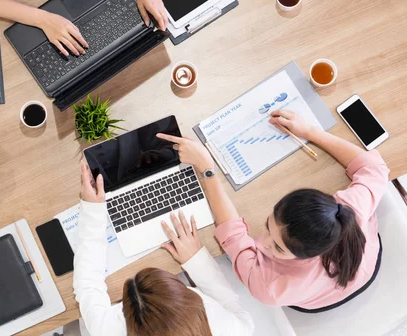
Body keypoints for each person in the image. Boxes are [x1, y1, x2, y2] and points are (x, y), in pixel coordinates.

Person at [156, 109, 389, 312]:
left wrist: (207, 168)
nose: (260, 243)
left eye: (278, 247)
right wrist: (309, 131)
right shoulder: (347, 211)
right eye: (268, 225)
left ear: (312, 255)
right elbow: (374, 167)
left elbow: (234, 235)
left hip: (326, 294)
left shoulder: (269, 287)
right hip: (366, 263)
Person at [73, 161, 254, 335]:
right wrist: (196, 260)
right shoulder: (230, 328)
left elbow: (88, 285)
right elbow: (236, 310)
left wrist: (93, 210)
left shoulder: (107, 328)